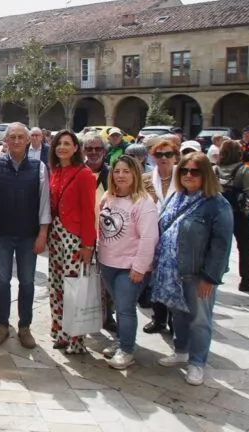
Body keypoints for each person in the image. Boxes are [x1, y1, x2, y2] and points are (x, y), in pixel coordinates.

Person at [154, 153, 233, 386]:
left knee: (199, 318)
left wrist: (211, 276)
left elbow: (221, 245)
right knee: (178, 312)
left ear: (206, 174)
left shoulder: (217, 204)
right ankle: (181, 350)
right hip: (173, 271)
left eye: (195, 171)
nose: (188, 175)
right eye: (185, 170)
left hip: (197, 273)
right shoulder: (176, 197)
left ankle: (197, 362)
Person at [0, 122, 50, 349]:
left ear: (29, 140)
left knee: (27, 282)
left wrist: (42, 234)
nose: (17, 141)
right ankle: (2, 325)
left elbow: (44, 205)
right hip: (2, 235)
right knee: (2, 280)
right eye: (13, 137)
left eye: (21, 137)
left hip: (28, 235)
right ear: (5, 141)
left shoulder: (39, 168)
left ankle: (25, 327)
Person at [98, 156, 160, 369]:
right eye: (117, 171)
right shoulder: (108, 198)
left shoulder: (144, 204)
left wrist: (140, 267)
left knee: (125, 309)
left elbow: (149, 238)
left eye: (126, 171)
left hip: (130, 267)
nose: (121, 176)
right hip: (108, 263)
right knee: (119, 305)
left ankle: (127, 349)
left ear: (135, 174)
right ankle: (123, 340)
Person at [47, 130, 97, 354]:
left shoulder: (84, 174)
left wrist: (88, 245)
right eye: (59, 144)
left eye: (67, 144)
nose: (62, 148)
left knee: (74, 289)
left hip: (74, 238)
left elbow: (89, 212)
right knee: (56, 287)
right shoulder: (55, 171)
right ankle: (60, 332)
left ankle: (76, 340)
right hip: (56, 236)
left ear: (76, 148)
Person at [142, 135, 180, 334]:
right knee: (155, 279)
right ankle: (158, 318)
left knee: (174, 280)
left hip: (177, 237)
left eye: (168, 154)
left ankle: (176, 321)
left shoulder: (184, 177)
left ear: (175, 156)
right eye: (159, 154)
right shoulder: (146, 179)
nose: (163, 158)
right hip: (153, 234)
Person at [215, 139, 249, 292]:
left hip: (219, 215)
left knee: (218, 246)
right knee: (245, 248)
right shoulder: (244, 170)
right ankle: (246, 280)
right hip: (240, 214)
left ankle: (215, 276)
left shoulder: (215, 170)